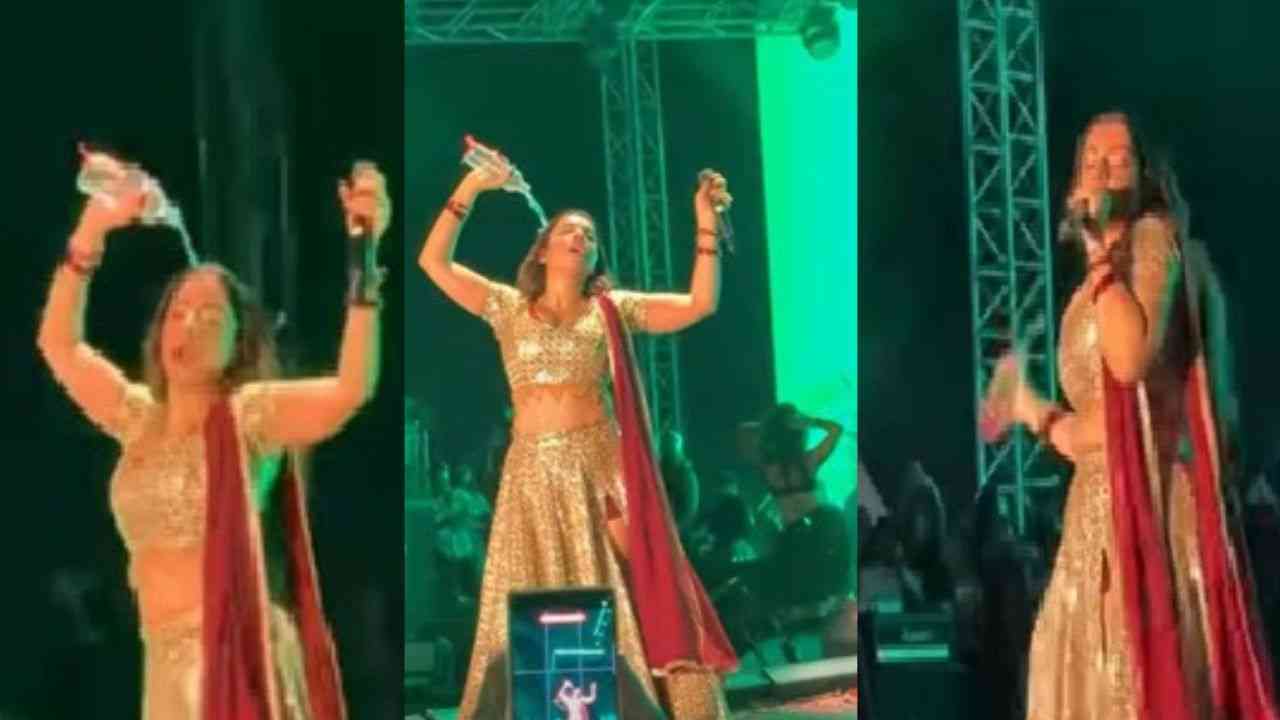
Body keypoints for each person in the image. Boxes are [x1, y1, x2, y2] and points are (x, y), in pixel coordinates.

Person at [37, 156, 389, 719]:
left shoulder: (249, 417)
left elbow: (352, 387)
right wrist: (92, 229)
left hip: (234, 661)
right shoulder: (137, 419)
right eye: (179, 313)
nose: (190, 325)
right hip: (162, 669)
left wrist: (363, 255)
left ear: (237, 343)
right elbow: (59, 344)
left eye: (210, 316)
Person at [418, 139, 738, 719]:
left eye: (589, 236)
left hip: (599, 469)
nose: (580, 238)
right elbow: (433, 263)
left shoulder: (611, 310)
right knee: (532, 599)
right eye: (569, 230)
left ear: (595, 259)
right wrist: (472, 187)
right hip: (531, 475)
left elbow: (700, 303)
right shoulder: (506, 308)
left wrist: (704, 221)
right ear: (542, 249)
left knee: (630, 590)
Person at [980, 111, 1277, 719]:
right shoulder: (1093, 286)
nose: (1101, 169)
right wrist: (1031, 407)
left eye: (1118, 158)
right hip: (1097, 511)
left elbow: (1130, 360)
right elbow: (1094, 432)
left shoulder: (1152, 240)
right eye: (1090, 159)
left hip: (1152, 504)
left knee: (1128, 684)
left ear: (1146, 175)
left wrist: (1097, 254)